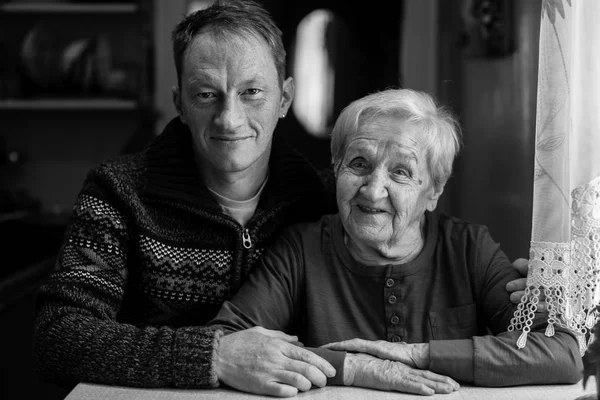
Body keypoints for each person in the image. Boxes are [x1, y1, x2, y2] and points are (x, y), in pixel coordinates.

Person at [32, 0, 534, 395]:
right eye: (207, 94)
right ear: (179, 103)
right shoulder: (120, 192)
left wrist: (538, 300)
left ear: (285, 100)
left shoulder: (323, 198)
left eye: (252, 92)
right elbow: (58, 337)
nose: (229, 120)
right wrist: (214, 355)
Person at [208, 88, 583, 396]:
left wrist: (417, 354)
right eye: (358, 164)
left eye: (401, 172)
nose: (372, 191)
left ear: (433, 190)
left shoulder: (469, 249)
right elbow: (227, 346)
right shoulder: (301, 249)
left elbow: (561, 353)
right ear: (336, 168)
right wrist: (355, 368)